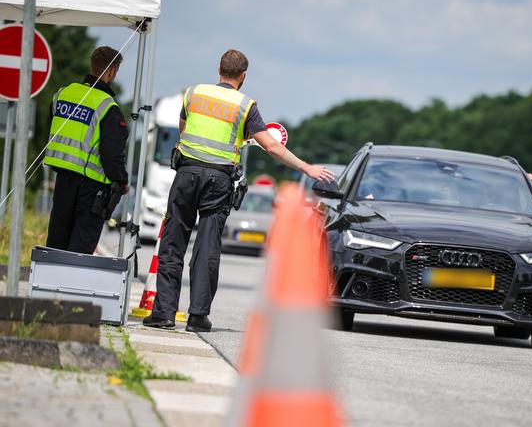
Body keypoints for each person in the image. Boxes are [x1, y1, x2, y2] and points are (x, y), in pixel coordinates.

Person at [143, 49, 334, 332]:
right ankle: (197, 317)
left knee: (173, 244)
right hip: (217, 181)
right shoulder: (245, 105)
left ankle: (164, 314)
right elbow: (271, 146)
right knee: (207, 248)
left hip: (186, 173)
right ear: (243, 76)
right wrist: (307, 168)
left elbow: (183, 128)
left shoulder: (194, 93)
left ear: (218, 69)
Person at [44, 46, 129, 254]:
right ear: (112, 71)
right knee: (80, 249)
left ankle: (52, 284)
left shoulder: (62, 94)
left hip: (63, 181)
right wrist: (122, 181)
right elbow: (111, 156)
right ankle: (70, 285)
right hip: (92, 191)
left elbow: (50, 129)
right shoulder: (108, 107)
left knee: (57, 242)